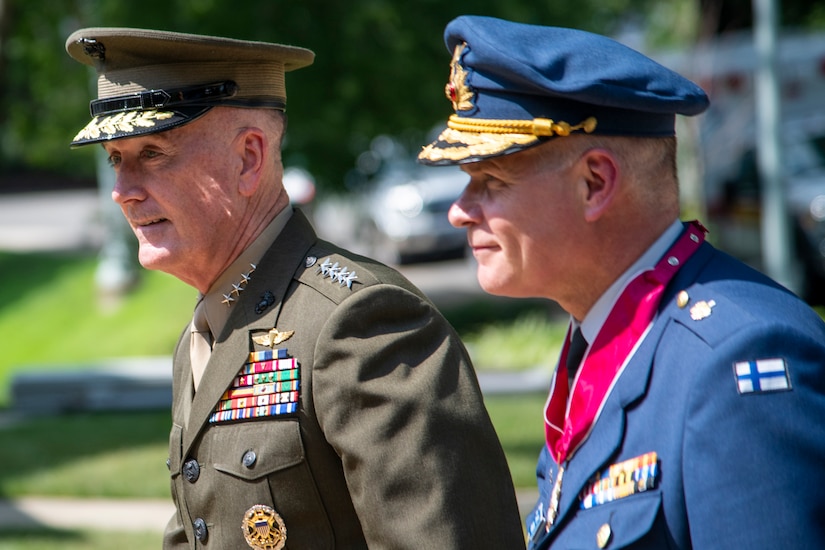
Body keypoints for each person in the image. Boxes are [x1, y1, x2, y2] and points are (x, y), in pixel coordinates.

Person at [65, 27, 526, 549]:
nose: (123, 192)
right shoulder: (208, 330)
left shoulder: (362, 323)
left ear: (249, 158)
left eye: (152, 154)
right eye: (115, 160)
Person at [419, 15, 825, 550]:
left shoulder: (735, 356)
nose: (459, 212)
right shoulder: (609, 336)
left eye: (491, 180)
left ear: (595, 183)